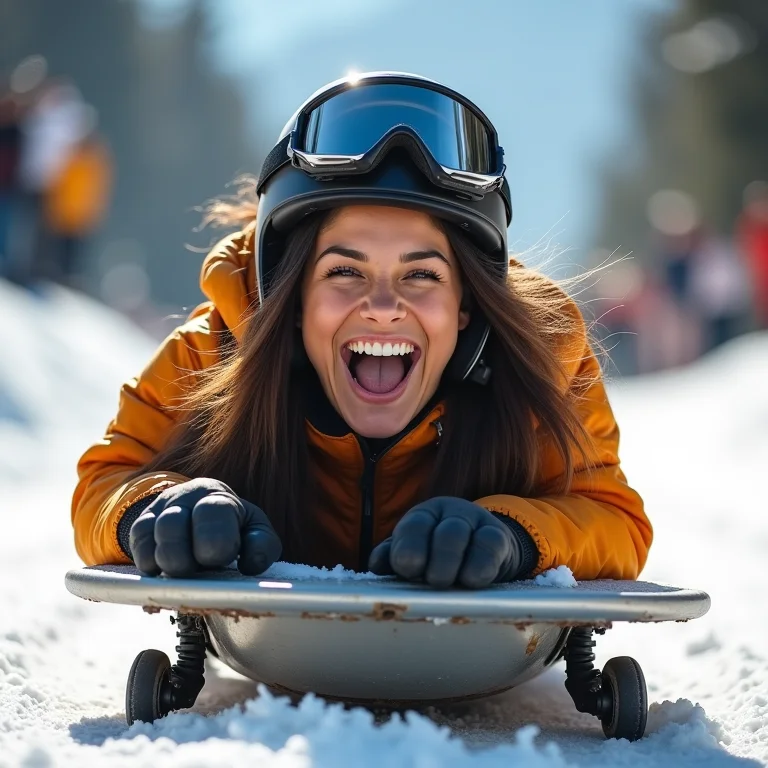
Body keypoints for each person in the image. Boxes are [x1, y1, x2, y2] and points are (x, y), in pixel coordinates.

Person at [71, 73, 652, 588]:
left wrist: (515, 535)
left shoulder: (544, 355)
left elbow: (613, 519)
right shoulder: (220, 346)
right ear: (291, 296)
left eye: (421, 274)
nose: (382, 306)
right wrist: (160, 508)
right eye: (344, 271)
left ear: (466, 307)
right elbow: (106, 481)